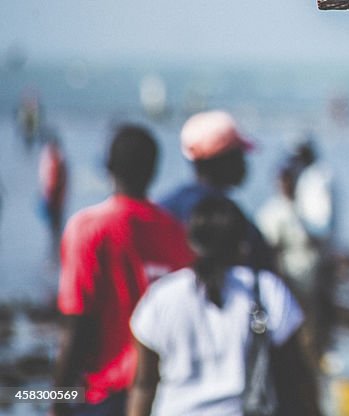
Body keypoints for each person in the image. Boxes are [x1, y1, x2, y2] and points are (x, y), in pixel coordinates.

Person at [128, 196, 319, 416]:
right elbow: (296, 375)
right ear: (243, 244)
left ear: (191, 241)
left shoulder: (162, 296)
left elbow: (144, 383)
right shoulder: (266, 289)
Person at [53, 125, 193, 416]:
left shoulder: (88, 229)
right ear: (154, 170)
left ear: (108, 166)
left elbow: (77, 325)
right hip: (161, 392)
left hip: (101, 395)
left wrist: (57, 401)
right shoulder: (176, 232)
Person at [160, 110, 274, 270]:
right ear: (225, 159)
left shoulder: (164, 210)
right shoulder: (235, 221)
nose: (245, 163)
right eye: (239, 154)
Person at [257, 159, 328, 361]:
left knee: (313, 324)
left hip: (311, 278)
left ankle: (313, 361)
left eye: (291, 180)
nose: (287, 184)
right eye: (284, 180)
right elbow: (271, 249)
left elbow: (318, 237)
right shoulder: (272, 213)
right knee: (293, 326)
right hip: (289, 280)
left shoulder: (305, 207)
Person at [39, 131, 68, 247]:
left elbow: (52, 183)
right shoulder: (59, 159)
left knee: (54, 231)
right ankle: (56, 254)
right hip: (58, 200)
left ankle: (55, 256)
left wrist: (48, 200)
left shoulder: (54, 160)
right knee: (55, 230)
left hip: (54, 202)